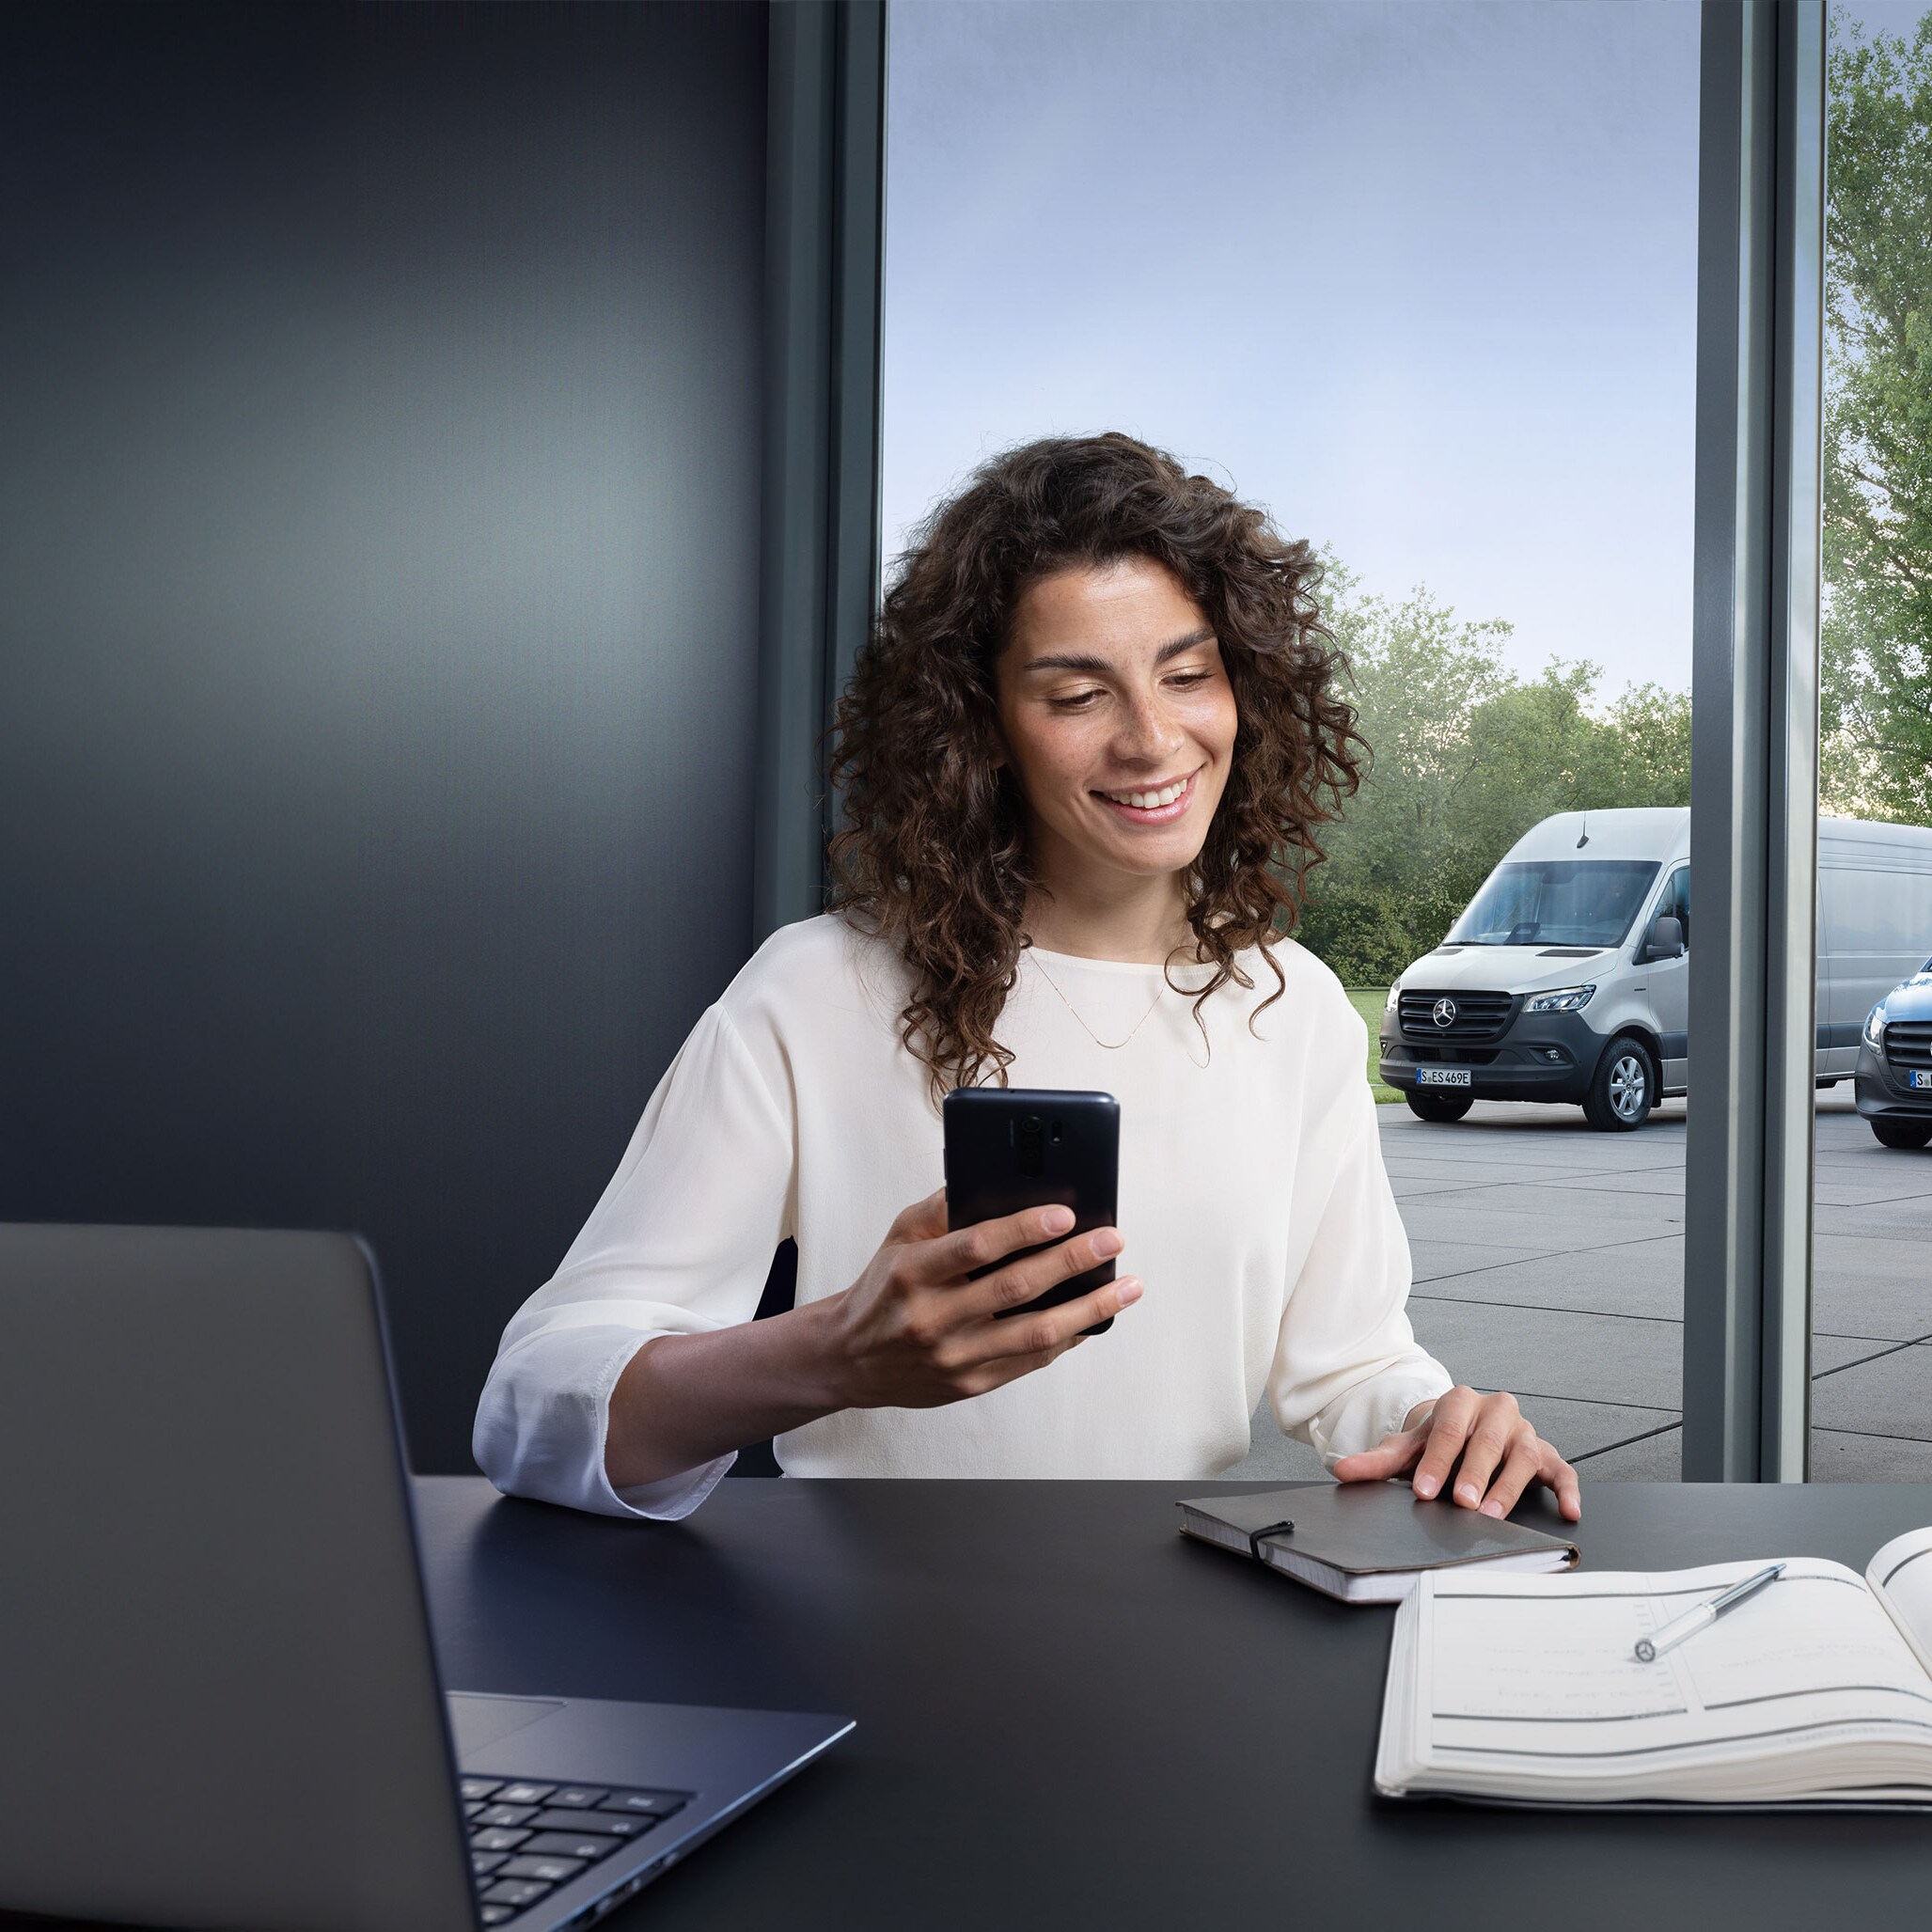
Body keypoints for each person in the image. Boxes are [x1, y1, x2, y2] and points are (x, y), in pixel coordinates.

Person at [475, 433, 1581, 1526]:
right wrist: (835, 1354)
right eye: (1075, 695)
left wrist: (1442, 1418)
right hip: (863, 1646)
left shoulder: (1295, 1011)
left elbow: (1350, 1367)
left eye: (1188, 675)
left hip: (1172, 1631)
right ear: (982, 728)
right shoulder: (813, 992)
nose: (1154, 742)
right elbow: (531, 1408)